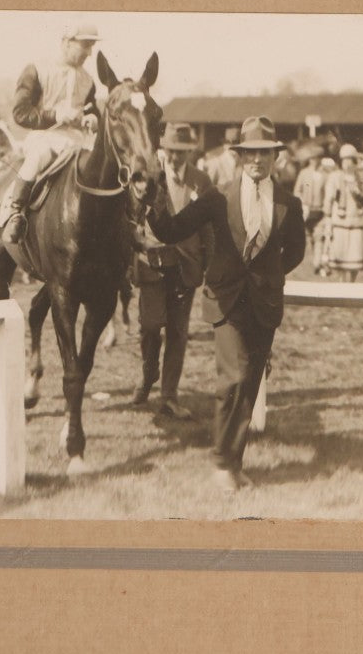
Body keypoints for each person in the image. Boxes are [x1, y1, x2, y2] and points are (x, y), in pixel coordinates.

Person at [146, 116, 306, 491]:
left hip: (264, 304)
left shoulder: (288, 203)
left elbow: (296, 251)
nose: (257, 161)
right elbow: (172, 230)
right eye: (250, 153)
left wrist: (268, 276)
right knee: (233, 377)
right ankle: (221, 463)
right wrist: (150, 201)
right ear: (239, 156)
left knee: (250, 382)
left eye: (265, 154)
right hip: (225, 300)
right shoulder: (217, 197)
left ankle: (234, 463)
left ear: (275, 158)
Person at [131, 123, 214, 419]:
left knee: (178, 333)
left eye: (182, 152)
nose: (176, 157)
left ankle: (168, 397)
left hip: (186, 267)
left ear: (190, 151)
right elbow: (134, 219)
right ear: (163, 150)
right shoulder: (149, 177)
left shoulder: (202, 182)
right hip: (152, 263)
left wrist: (208, 266)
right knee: (151, 327)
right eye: (171, 151)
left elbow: (208, 227)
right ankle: (148, 373)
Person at [0, 22, 101, 243]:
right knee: (38, 157)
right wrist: (54, 115)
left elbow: (92, 109)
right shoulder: (37, 69)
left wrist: (93, 119)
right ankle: (15, 212)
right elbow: (20, 112)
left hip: (79, 140)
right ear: (66, 43)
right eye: (85, 45)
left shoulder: (88, 80)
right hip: (46, 136)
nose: (89, 52)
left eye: (91, 46)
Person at [323, 143, 363, 281]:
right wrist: (328, 220)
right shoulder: (335, 177)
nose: (347, 163)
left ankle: (350, 288)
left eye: (350, 159)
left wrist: (360, 196)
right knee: (339, 264)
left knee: (354, 265)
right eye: (344, 160)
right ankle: (340, 291)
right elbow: (328, 200)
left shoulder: (361, 178)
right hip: (339, 224)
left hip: (356, 224)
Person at [293, 155, 327, 250]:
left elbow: (328, 192)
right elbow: (297, 191)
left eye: (317, 158)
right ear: (310, 160)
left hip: (319, 209)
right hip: (306, 209)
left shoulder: (324, 174)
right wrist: (302, 202)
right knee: (306, 233)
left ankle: (317, 248)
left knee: (319, 234)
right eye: (313, 158)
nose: (315, 161)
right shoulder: (304, 173)